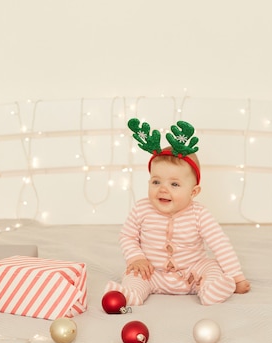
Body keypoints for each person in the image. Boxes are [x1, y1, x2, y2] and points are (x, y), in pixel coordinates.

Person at [104, 119, 251, 306]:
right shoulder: (141, 208)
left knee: (212, 267)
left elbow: (220, 245)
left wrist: (236, 277)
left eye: (174, 184)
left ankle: (211, 290)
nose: (163, 189)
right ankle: (130, 294)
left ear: (193, 192)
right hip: (152, 272)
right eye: (156, 182)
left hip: (192, 273)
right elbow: (127, 236)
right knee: (134, 274)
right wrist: (137, 258)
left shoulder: (199, 214)